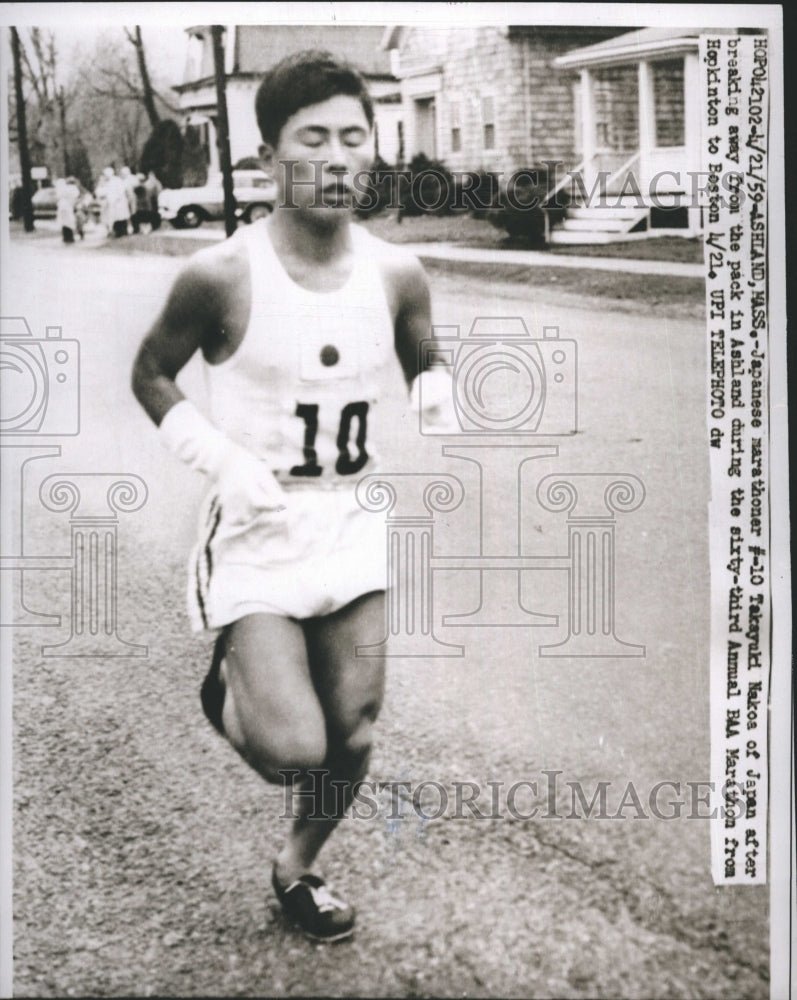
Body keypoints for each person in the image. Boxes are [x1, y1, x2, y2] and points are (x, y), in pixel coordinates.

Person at [131, 50, 451, 943]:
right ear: (270, 155)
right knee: (292, 751)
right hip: (259, 529)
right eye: (313, 138)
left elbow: (420, 341)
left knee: (351, 731)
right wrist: (219, 458)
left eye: (355, 136)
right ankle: (226, 692)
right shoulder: (222, 275)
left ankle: (298, 868)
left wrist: (435, 387)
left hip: (350, 523)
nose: (338, 157)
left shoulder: (396, 270)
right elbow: (151, 371)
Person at [55, 177, 79, 243]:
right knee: (68, 222)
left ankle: (67, 237)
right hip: (68, 207)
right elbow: (75, 197)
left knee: (65, 223)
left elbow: (58, 196)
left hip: (64, 207)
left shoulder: (64, 190)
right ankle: (69, 237)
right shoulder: (72, 189)